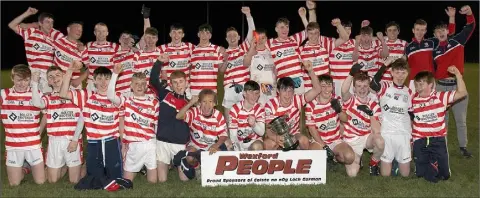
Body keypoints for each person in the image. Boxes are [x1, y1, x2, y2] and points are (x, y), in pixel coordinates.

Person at [60, 61, 123, 179]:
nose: (103, 82)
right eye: (99, 79)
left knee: (114, 179)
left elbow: (110, 96)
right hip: (94, 142)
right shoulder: (87, 96)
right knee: (93, 178)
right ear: (93, 81)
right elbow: (63, 94)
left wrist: (115, 74)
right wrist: (69, 71)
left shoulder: (118, 97)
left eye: (107, 79)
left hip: (111, 142)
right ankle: (86, 166)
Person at [432, 5, 475, 158]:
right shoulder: (434, 50)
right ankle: (442, 147)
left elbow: (470, 27)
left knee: (461, 120)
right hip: (441, 88)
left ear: (447, 32)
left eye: (443, 30)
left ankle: (463, 147)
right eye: (438, 31)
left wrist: (469, 14)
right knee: (442, 120)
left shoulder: (457, 41)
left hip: (457, 87)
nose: (441, 33)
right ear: (435, 35)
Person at [411, 67, 467, 183]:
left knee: (445, 175)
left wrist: (458, 74)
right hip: (419, 140)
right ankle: (431, 162)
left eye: (422, 84)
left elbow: (462, 93)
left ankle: (434, 162)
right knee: (420, 174)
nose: (418, 87)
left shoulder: (441, 97)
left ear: (431, 85)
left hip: (438, 139)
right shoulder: (413, 99)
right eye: (416, 84)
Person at [107, 63, 159, 183]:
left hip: (150, 143)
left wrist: (156, 143)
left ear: (146, 87)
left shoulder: (154, 102)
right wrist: (115, 74)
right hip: (133, 145)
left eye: (142, 84)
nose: (139, 86)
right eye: (136, 83)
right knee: (127, 181)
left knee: (153, 182)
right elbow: (110, 95)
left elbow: (156, 125)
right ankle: (138, 168)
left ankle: (144, 168)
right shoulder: (126, 101)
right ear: (131, 86)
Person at [31, 66, 84, 183]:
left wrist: (75, 140)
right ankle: (63, 164)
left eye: (57, 75)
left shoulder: (76, 94)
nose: (54, 78)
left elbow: (82, 117)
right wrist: (34, 83)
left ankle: (82, 165)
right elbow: (37, 103)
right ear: (48, 81)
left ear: (64, 77)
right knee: (52, 181)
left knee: (74, 181)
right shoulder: (48, 97)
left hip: (72, 140)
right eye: (51, 77)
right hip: (55, 140)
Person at [1, 64, 46, 186]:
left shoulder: (36, 94)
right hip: (13, 146)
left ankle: (38, 160)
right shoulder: (4, 95)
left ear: (30, 80)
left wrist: (39, 132)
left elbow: (47, 113)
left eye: (26, 80)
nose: (22, 83)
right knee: (14, 183)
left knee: (40, 181)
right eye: (19, 79)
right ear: (12, 78)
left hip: (33, 144)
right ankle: (25, 168)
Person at [149, 54, 191, 182]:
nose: (178, 85)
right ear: (171, 85)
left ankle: (183, 163)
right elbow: (153, 80)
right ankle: (168, 163)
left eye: (181, 82)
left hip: (179, 144)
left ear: (186, 83)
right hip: (163, 141)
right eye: (175, 83)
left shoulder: (190, 102)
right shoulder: (165, 94)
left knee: (185, 179)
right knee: (162, 180)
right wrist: (158, 63)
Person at [369, 58, 413, 177]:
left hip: (403, 134)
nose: (400, 76)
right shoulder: (385, 87)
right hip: (387, 133)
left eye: (403, 72)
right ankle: (391, 161)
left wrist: (413, 135)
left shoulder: (409, 92)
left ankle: (397, 161)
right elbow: (373, 84)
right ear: (391, 72)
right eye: (397, 72)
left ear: (407, 73)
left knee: (405, 175)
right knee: (385, 175)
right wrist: (385, 65)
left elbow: (412, 113)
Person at [264, 60, 321, 150]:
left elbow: (317, 89)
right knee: (268, 143)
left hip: (293, 134)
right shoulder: (271, 104)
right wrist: (276, 138)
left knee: (304, 140)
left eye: (290, 90)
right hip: (277, 135)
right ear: (278, 91)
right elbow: (268, 129)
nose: (288, 94)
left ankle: (302, 162)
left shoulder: (297, 99)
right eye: (284, 90)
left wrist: (310, 71)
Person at [8, 7, 65, 93]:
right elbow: (11, 25)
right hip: (34, 73)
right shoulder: (31, 33)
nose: (50, 25)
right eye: (47, 22)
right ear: (40, 23)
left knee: (47, 101)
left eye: (52, 23)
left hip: (49, 74)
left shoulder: (55, 36)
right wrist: (26, 14)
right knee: (34, 100)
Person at [341, 64, 384, 177]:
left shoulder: (374, 105)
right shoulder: (351, 100)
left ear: (369, 87)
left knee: (380, 141)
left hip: (367, 138)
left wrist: (370, 114)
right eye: (359, 86)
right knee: (352, 174)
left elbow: (377, 131)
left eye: (365, 86)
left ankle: (373, 163)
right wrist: (351, 74)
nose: (362, 89)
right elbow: (344, 91)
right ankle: (357, 159)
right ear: (354, 88)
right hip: (352, 139)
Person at [175, 89, 228, 180]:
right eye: (204, 102)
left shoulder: (218, 116)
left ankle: (209, 169)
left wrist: (216, 145)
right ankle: (197, 168)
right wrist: (190, 103)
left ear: (215, 103)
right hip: (196, 145)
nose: (207, 105)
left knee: (222, 150)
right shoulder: (195, 112)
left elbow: (223, 135)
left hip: (210, 146)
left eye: (210, 101)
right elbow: (178, 116)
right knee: (185, 173)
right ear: (199, 103)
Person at [306, 74, 355, 166]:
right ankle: (325, 157)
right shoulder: (311, 105)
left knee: (349, 157)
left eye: (329, 86)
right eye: (323, 86)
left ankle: (332, 158)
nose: (326, 89)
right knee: (314, 160)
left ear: (332, 87)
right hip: (319, 141)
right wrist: (324, 146)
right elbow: (311, 129)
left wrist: (339, 110)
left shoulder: (336, 100)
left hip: (335, 140)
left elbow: (345, 119)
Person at [221, 6, 256, 130]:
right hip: (229, 88)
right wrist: (225, 59)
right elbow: (221, 71)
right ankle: (230, 142)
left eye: (234, 35)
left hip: (244, 88)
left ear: (239, 37)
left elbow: (252, 31)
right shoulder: (223, 52)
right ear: (226, 39)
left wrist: (248, 15)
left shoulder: (244, 48)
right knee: (228, 117)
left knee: (246, 115)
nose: (232, 37)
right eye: (229, 36)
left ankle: (247, 141)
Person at [404, 8, 456, 92]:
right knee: (413, 104)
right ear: (413, 30)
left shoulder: (432, 42)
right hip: (414, 81)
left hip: (429, 80)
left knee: (432, 104)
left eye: (422, 30)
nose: (419, 32)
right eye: (417, 29)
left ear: (425, 31)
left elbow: (449, 34)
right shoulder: (407, 47)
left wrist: (452, 17)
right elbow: (405, 65)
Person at [265, 6, 310, 95]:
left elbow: (308, 31)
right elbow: (257, 44)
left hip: (298, 79)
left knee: (298, 105)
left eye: (287, 27)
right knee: (285, 107)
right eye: (282, 27)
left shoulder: (294, 39)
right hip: (283, 81)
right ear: (276, 29)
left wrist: (303, 17)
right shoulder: (270, 43)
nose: (285, 30)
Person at [299, 19, 349, 92]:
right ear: (307, 33)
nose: (313, 36)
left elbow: (345, 38)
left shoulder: (326, 45)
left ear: (319, 33)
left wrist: (338, 25)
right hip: (309, 90)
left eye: (316, 33)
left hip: (325, 88)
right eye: (311, 33)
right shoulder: (301, 50)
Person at [189, 24, 225, 97]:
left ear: (210, 36)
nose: (204, 35)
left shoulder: (217, 50)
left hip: (211, 90)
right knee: (196, 109)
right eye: (202, 32)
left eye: (207, 33)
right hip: (195, 91)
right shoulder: (192, 50)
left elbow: (221, 70)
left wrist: (226, 59)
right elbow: (188, 70)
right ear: (198, 34)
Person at [228, 80, 265, 151]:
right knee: (228, 145)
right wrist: (238, 150)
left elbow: (262, 133)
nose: (254, 96)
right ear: (244, 93)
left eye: (256, 93)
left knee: (258, 146)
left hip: (253, 142)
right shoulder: (235, 109)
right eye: (251, 93)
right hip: (239, 143)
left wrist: (254, 125)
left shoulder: (259, 109)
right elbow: (233, 136)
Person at [243, 28, 276, 105]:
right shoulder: (250, 53)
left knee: (270, 112)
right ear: (254, 39)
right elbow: (245, 63)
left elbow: (276, 70)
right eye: (258, 38)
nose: (260, 41)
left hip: (269, 88)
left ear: (266, 39)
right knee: (258, 114)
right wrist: (251, 49)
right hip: (256, 90)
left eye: (263, 38)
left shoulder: (272, 53)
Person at [52, 21, 89, 89]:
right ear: (68, 29)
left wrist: (79, 79)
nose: (79, 31)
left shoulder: (82, 48)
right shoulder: (58, 42)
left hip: (73, 85)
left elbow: (90, 67)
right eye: (77, 28)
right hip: (57, 82)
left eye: (81, 30)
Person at [86, 23, 119, 91]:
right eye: (99, 31)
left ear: (107, 33)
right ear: (95, 32)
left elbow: (126, 50)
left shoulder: (114, 46)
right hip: (92, 82)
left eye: (104, 31)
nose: (101, 33)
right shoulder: (88, 45)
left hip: (107, 82)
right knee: (90, 101)